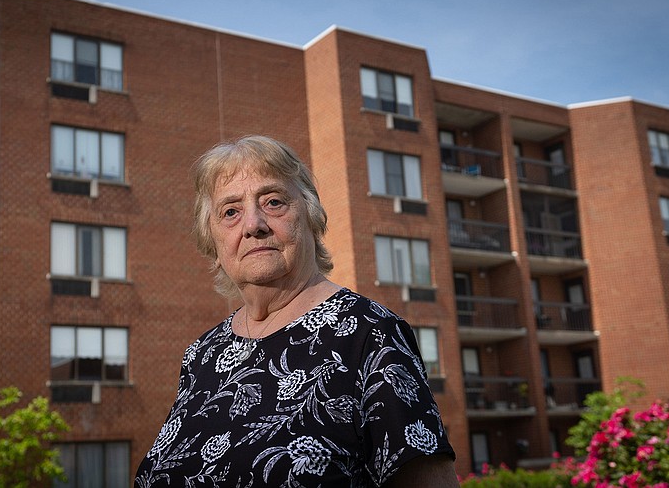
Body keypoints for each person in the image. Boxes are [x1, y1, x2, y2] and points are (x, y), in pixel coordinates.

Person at [135, 135, 458, 487]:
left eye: (273, 202)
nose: (253, 225)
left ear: (311, 217)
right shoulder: (203, 354)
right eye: (230, 211)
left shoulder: (370, 334)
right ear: (212, 242)